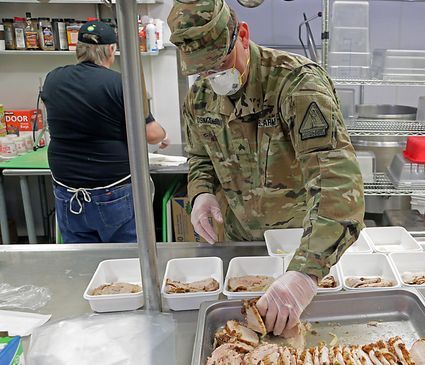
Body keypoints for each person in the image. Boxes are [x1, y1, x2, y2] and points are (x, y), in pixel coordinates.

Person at [168, 0, 365, 336]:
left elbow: (337, 183)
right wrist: (201, 193)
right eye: (203, 70)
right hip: (241, 248)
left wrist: (305, 275)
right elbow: (201, 156)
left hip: (303, 247)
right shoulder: (199, 97)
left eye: (221, 63)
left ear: (243, 35)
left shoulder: (297, 85)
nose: (213, 77)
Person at [41, 20, 170, 243]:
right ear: (111, 50)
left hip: (67, 191)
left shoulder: (53, 79)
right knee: (125, 261)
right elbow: (151, 134)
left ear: (78, 49)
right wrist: (164, 134)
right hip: (112, 192)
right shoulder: (120, 83)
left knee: (84, 262)